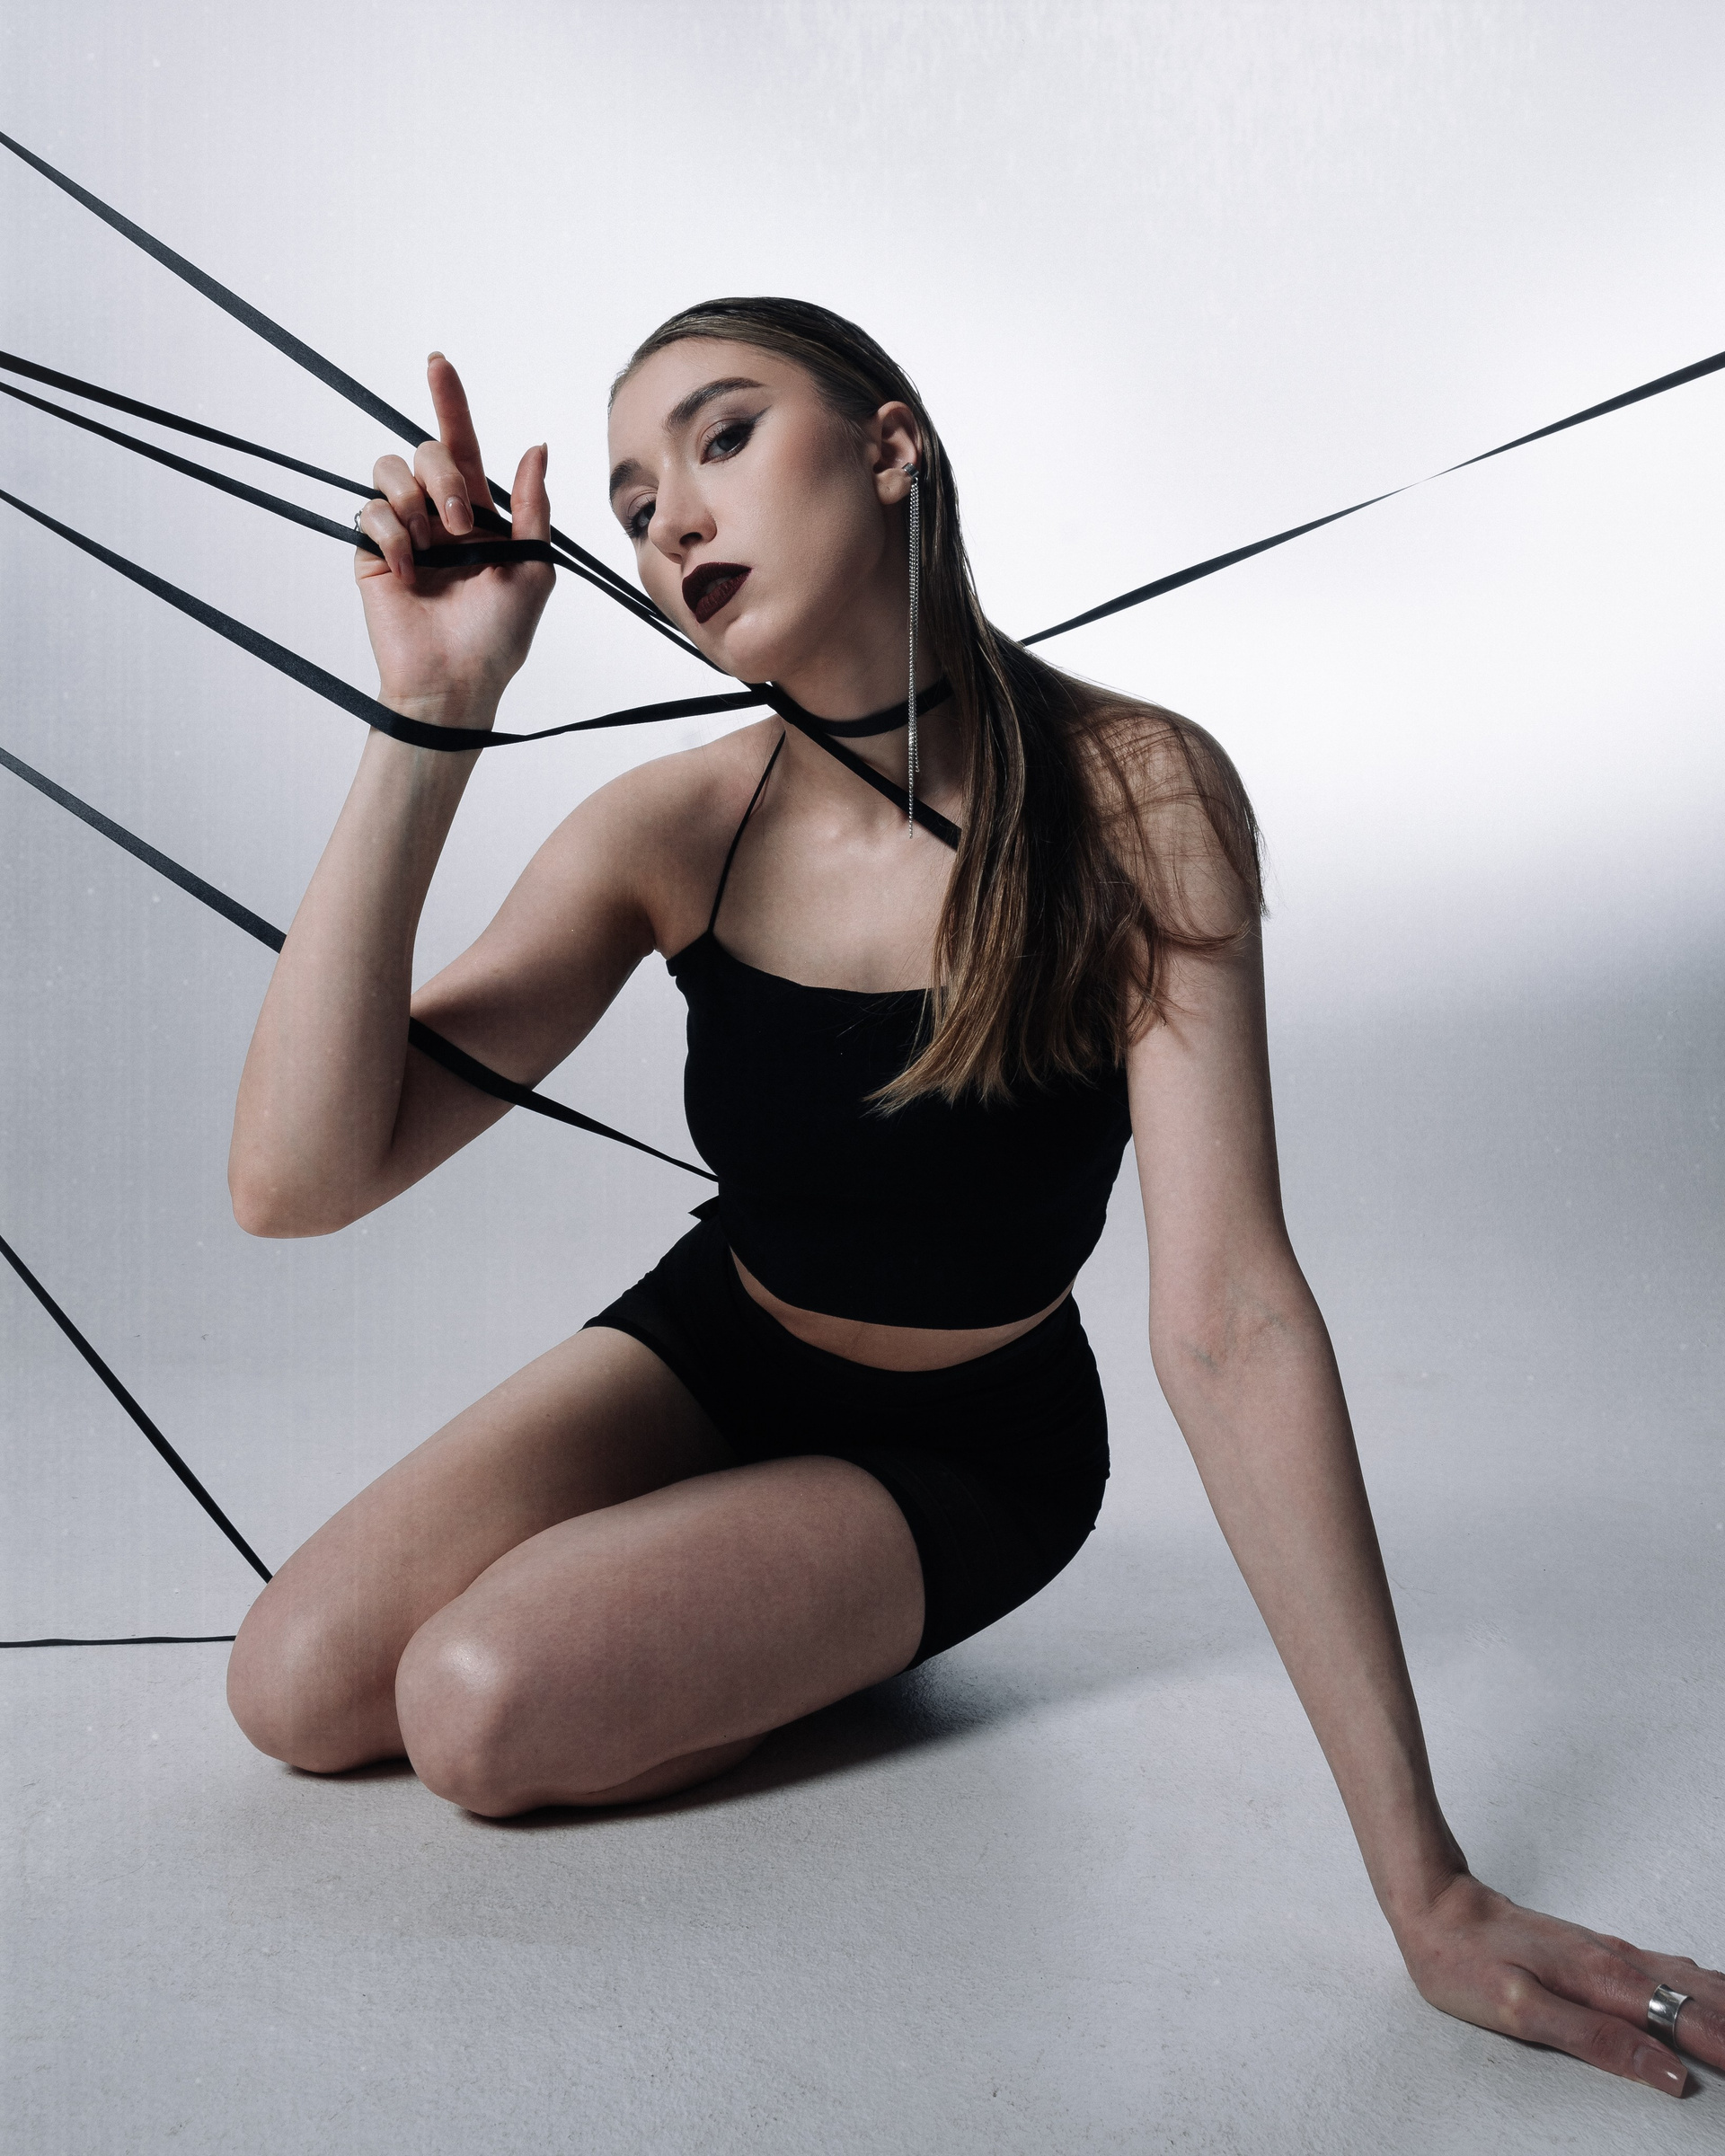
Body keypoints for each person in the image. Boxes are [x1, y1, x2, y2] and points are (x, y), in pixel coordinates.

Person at [224, 298, 1716, 2098]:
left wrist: (1430, 1888)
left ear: (888, 448)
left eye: (719, 437)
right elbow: (296, 1182)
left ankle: (789, 1609)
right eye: (628, 505)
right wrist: (431, 711)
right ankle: (726, 1578)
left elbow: (1231, 1318)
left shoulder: (1137, 794)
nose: (670, 519)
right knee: (292, 1685)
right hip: (718, 1345)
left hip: (970, 1449)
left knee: (472, 1708)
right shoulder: (668, 826)